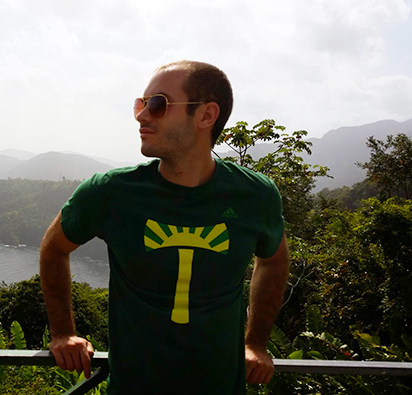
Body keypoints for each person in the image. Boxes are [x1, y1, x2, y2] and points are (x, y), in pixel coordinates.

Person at [39, 60, 290, 394]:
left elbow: (274, 260)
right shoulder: (110, 192)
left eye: (157, 104)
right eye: (140, 105)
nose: (142, 116)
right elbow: (55, 248)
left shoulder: (255, 196)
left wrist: (256, 342)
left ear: (206, 115)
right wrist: (62, 332)